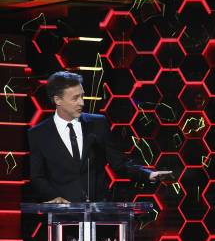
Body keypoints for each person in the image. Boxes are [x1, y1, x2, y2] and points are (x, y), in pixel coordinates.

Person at [28, 71, 172, 203]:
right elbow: (38, 176)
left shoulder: (98, 124)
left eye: (82, 96)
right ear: (58, 100)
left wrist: (148, 175)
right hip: (62, 217)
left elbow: (119, 164)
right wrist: (54, 197)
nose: (82, 103)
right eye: (75, 98)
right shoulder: (39, 133)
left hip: (99, 211)